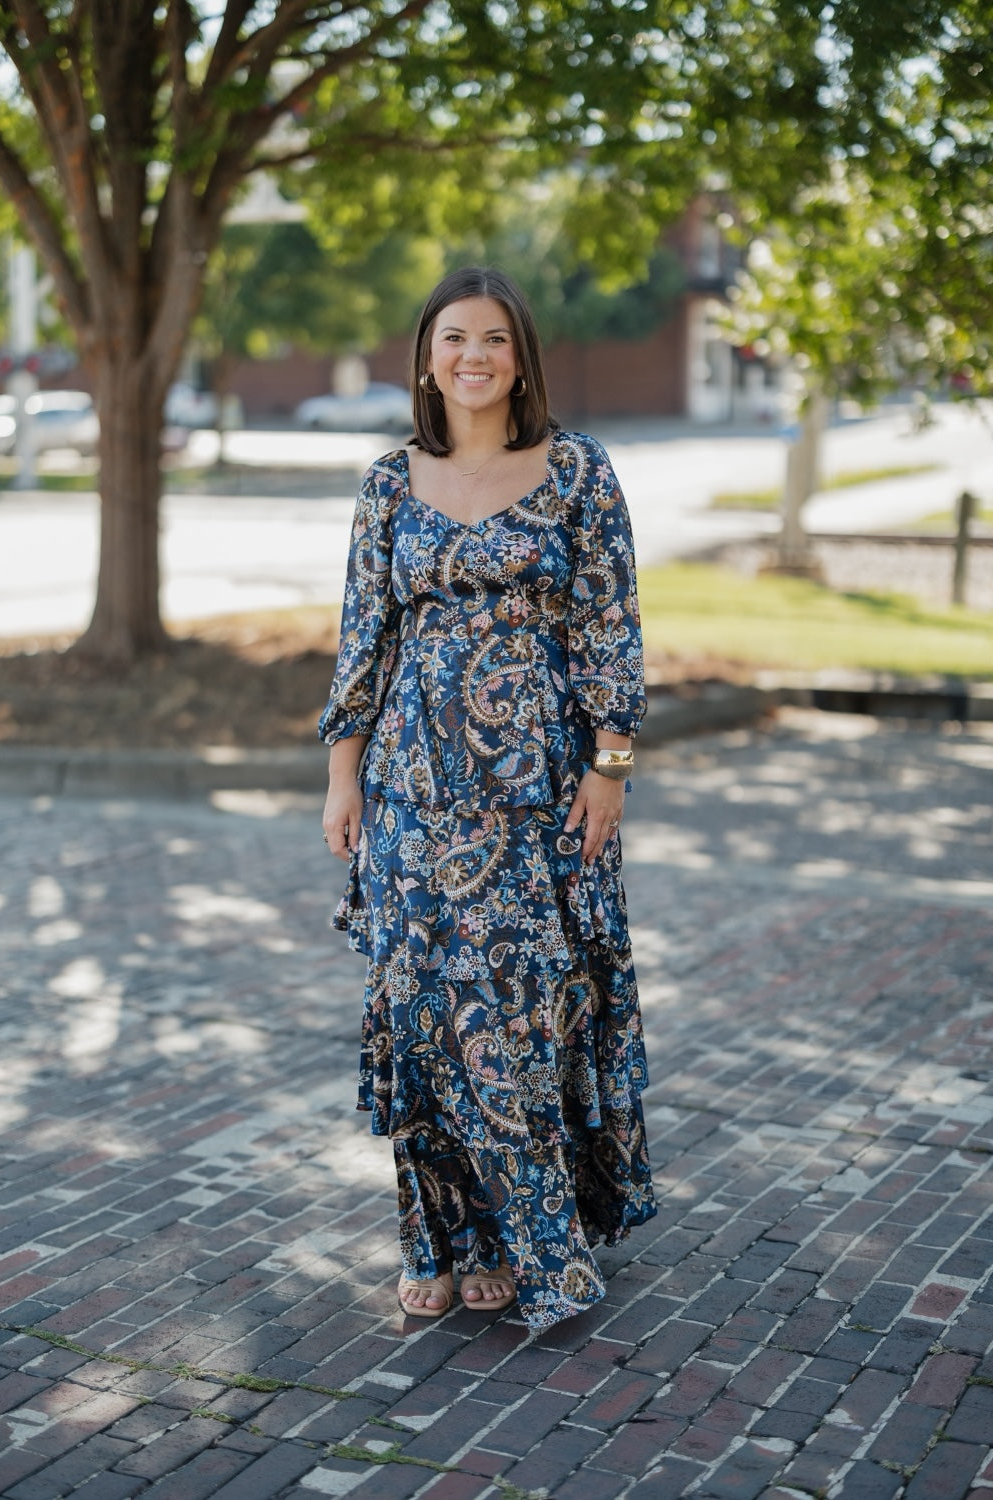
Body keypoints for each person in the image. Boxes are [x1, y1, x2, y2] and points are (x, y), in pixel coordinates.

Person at [320, 266, 655, 1332]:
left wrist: (611, 768)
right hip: (412, 796)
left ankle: (532, 1240)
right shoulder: (386, 482)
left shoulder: (575, 470)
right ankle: (440, 1234)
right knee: (421, 1009)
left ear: (521, 361)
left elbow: (609, 621)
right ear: (425, 358)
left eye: (495, 339)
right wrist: (343, 781)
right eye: (453, 338)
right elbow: (362, 639)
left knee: (521, 1009)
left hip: (538, 791)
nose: (473, 355)